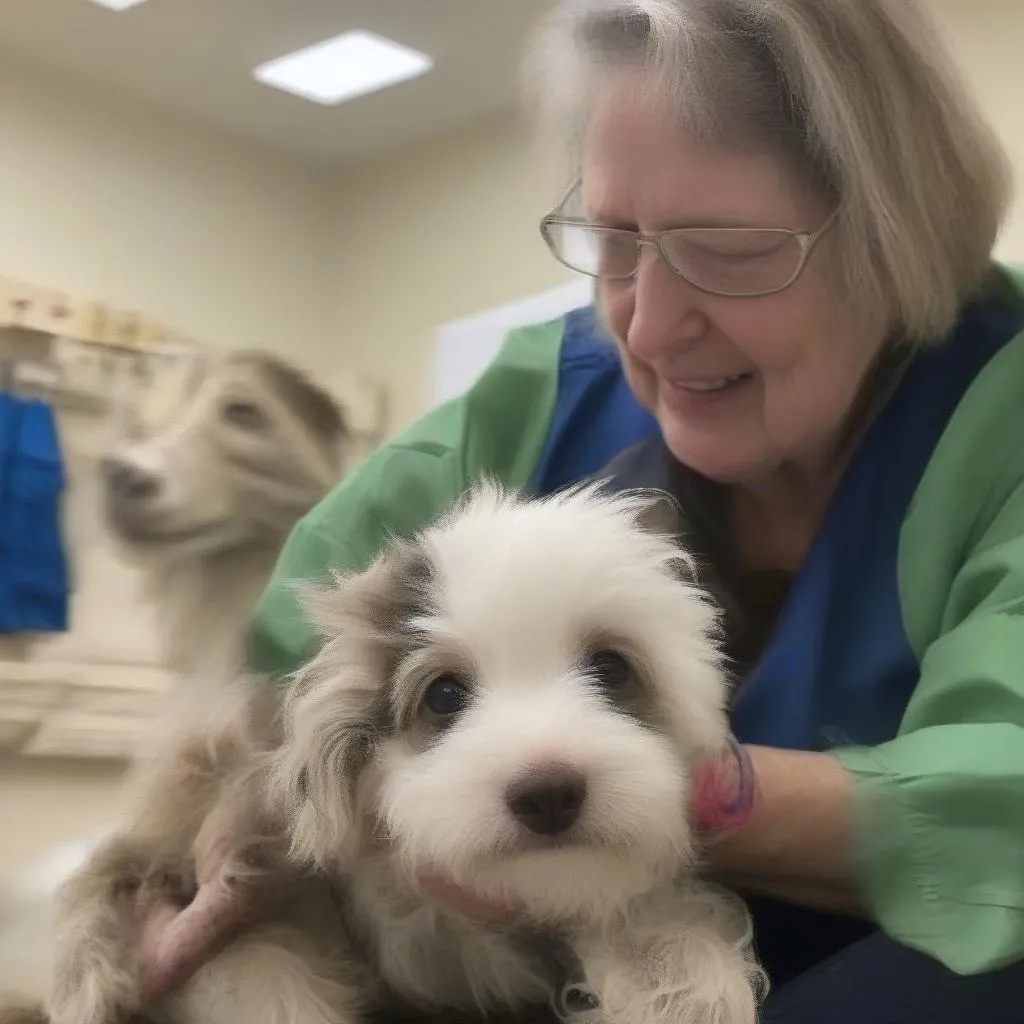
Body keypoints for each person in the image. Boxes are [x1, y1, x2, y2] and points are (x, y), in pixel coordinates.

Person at [137, 0, 1024, 1020]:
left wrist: (617, 796)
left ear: (892, 230)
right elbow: (276, 672)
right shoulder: (533, 406)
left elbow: (997, 806)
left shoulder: (994, 417)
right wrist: (188, 863)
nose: (648, 322)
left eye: (730, 248)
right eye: (614, 241)